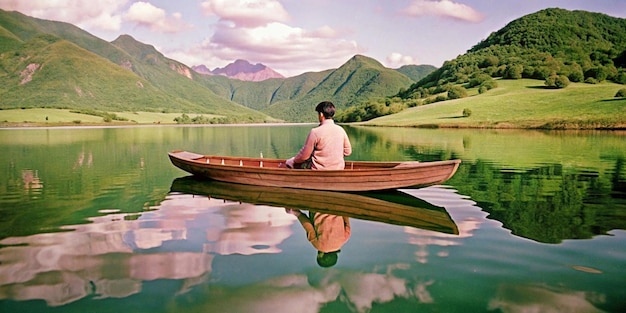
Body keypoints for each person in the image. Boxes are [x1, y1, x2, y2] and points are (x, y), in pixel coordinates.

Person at [285, 101, 352, 170]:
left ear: (321, 114)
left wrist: (293, 161)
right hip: (338, 169)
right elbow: (348, 152)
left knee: (291, 163)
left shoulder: (315, 132)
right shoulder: (341, 130)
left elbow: (304, 156)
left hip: (319, 170)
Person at [286, 209, 350, 267]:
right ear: (321, 256)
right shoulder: (319, 245)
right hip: (317, 208)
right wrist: (296, 213)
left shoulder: (345, 238)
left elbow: (345, 215)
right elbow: (308, 226)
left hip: (336, 206)